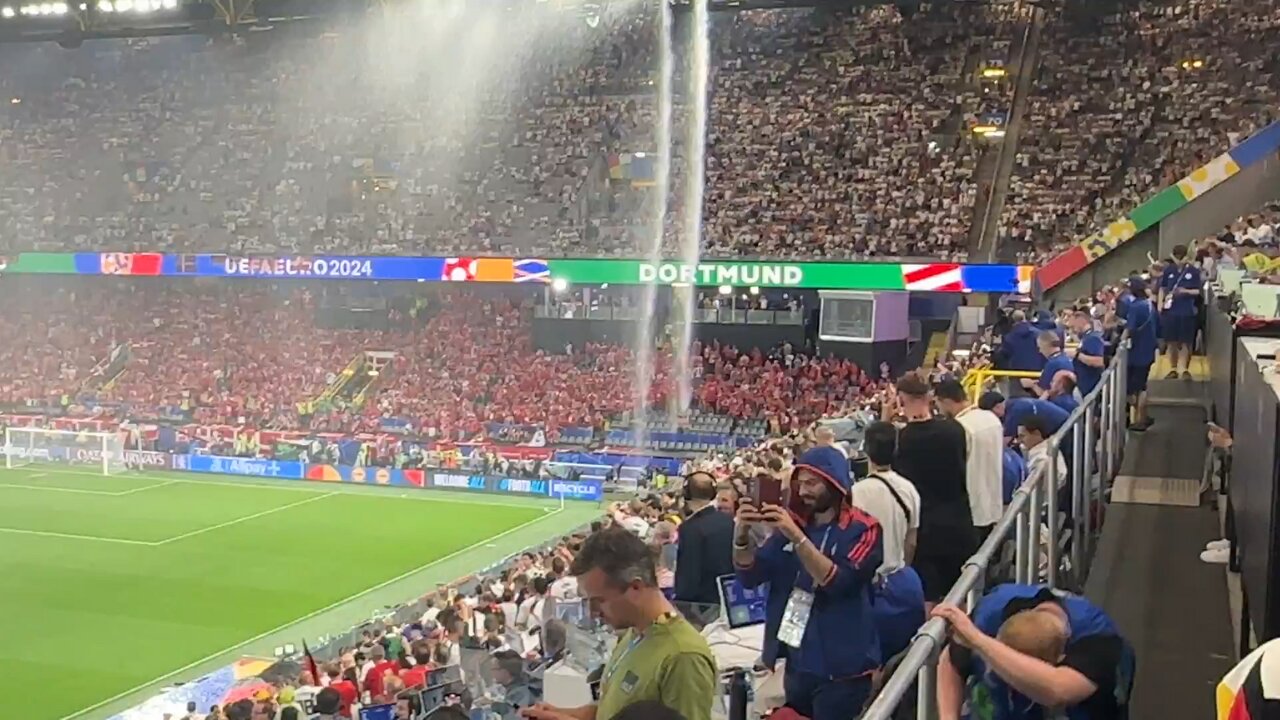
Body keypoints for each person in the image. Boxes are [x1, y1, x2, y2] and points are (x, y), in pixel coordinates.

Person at [733, 446, 884, 719]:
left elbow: (839, 582)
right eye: (799, 484)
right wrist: (741, 536)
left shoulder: (865, 528)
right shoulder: (793, 525)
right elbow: (749, 575)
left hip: (844, 668)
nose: (803, 492)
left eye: (812, 483)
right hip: (797, 662)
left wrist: (798, 540)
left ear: (835, 482)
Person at [521, 526, 717, 720]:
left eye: (599, 601)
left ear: (635, 587)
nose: (592, 612)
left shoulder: (684, 657)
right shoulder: (635, 633)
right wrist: (558, 714)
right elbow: (611, 712)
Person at [933, 584, 1133, 720]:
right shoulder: (993, 613)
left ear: (1058, 658)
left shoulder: (1098, 641)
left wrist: (978, 641)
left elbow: (1056, 689)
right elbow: (952, 661)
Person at [891, 373, 975, 603]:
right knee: (961, 598)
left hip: (926, 532)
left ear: (901, 399)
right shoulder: (955, 429)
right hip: (959, 524)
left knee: (929, 602)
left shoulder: (903, 439)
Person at [851, 421, 925, 661]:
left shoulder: (856, 493)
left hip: (871, 590)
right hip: (903, 583)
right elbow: (911, 541)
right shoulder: (909, 489)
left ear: (866, 450)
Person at [935, 379, 1004, 543]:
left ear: (946, 402)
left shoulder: (959, 427)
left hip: (971, 510)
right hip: (993, 503)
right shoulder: (991, 418)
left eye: (939, 405)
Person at [673, 471, 736, 606]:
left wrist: (678, 603)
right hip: (728, 600)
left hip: (701, 607)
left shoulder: (690, 528)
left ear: (687, 493)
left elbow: (688, 579)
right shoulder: (729, 522)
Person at [1159, 244, 1202, 380]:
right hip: (1171, 311)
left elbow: (1198, 291)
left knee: (1186, 342)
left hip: (1187, 311)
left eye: (1181, 257)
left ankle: (1184, 369)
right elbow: (1162, 288)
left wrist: (1185, 291)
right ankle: (1173, 368)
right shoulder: (1169, 270)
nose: (1179, 259)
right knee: (1171, 341)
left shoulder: (1193, 271)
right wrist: (1160, 304)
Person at [1124, 275, 1159, 431]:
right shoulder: (1149, 304)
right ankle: (1143, 416)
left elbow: (1130, 329)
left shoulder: (1135, 307)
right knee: (1142, 386)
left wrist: (1120, 342)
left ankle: (1138, 419)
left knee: (1134, 389)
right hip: (1149, 350)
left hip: (1136, 354)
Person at [1069, 309, 1107, 397]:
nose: (1073, 328)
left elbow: (1099, 361)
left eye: (1074, 325)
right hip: (1084, 384)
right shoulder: (1086, 337)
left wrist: (1077, 355)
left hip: (1091, 386)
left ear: (1081, 321)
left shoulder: (1092, 338)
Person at [1035, 331, 1074, 398]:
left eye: (1040, 347)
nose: (1040, 351)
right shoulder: (1066, 359)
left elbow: (1044, 392)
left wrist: (1031, 385)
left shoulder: (1052, 364)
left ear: (1046, 345)